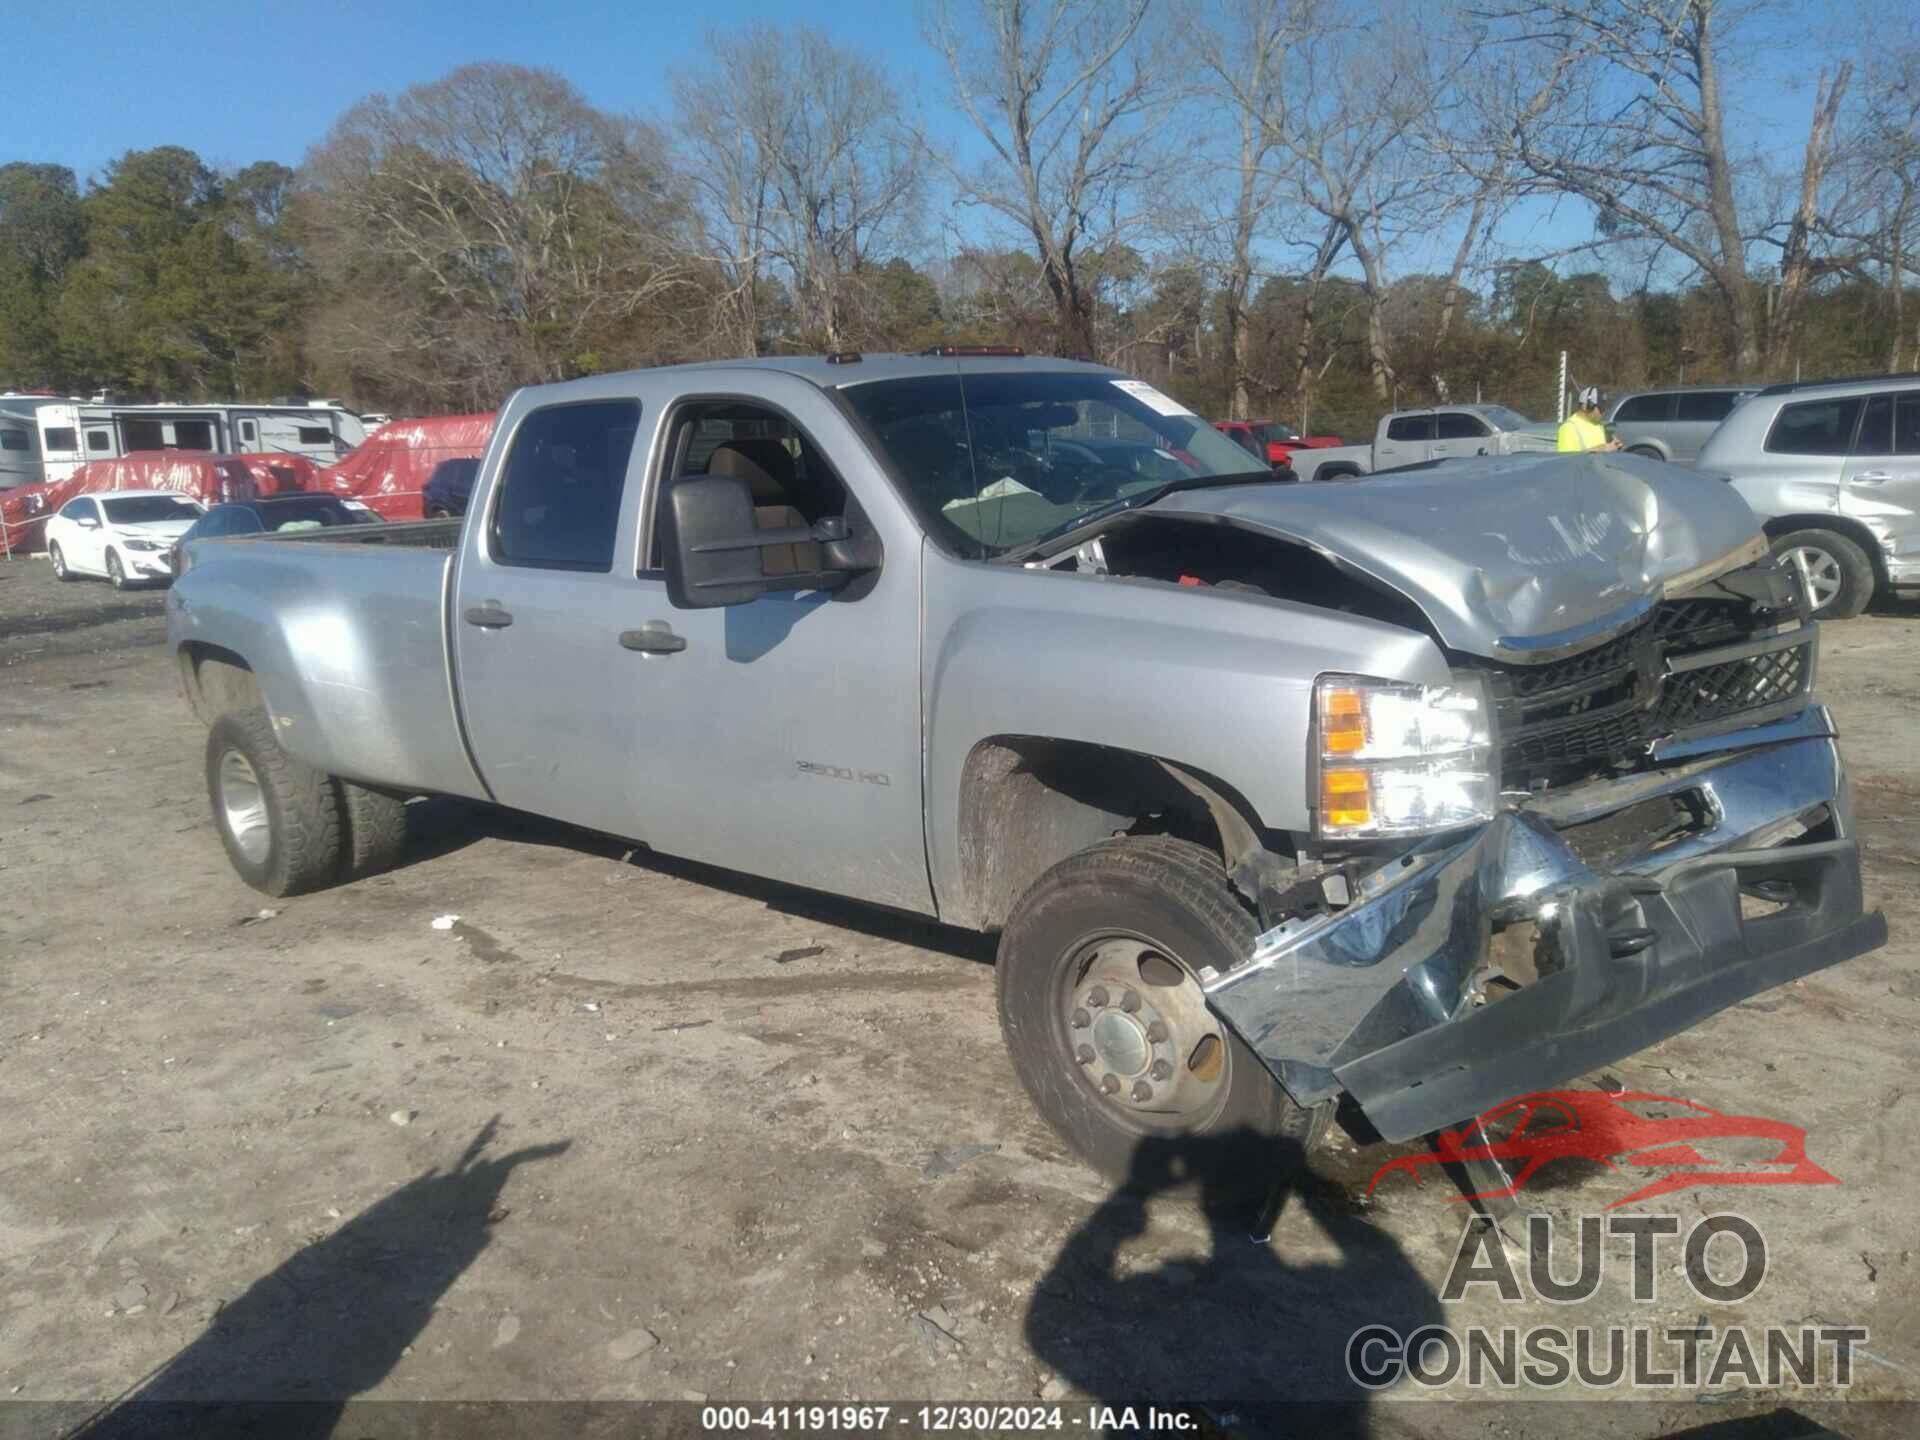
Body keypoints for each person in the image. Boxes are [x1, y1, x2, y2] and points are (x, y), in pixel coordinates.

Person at [1557, 386, 1622, 452]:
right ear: (1586, 406)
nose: (1603, 412)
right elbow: (1566, 460)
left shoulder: (1598, 424)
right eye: (1601, 408)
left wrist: (1614, 445)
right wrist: (1602, 449)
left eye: (1604, 408)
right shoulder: (1569, 428)